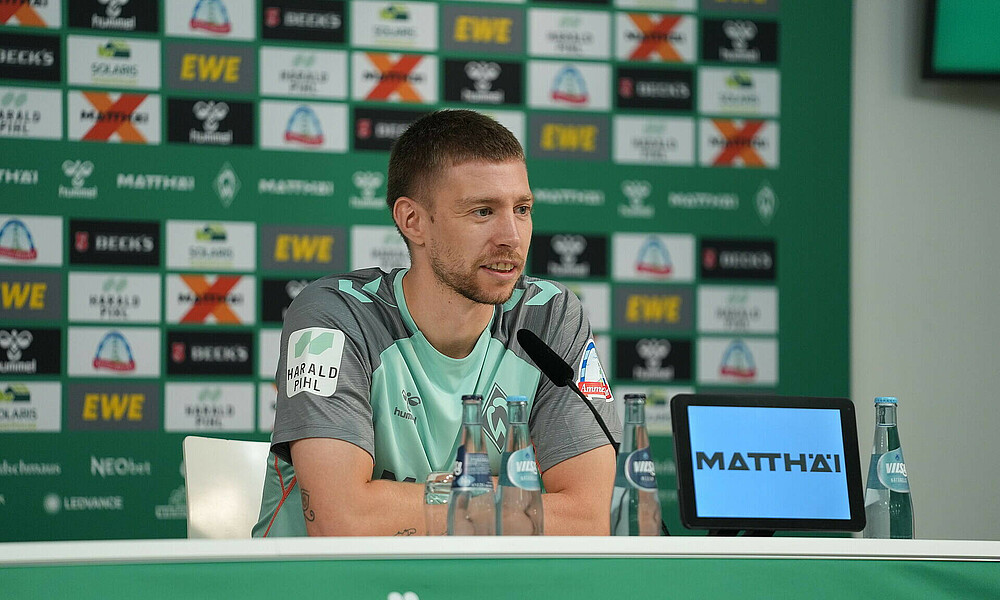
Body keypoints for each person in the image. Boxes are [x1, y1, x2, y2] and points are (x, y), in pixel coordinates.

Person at [253, 109, 620, 537]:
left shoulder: (550, 316)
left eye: (522, 209)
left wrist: (402, 502)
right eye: (483, 212)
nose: (512, 237)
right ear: (412, 221)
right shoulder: (333, 314)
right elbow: (343, 519)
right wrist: (500, 500)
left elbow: (586, 519)